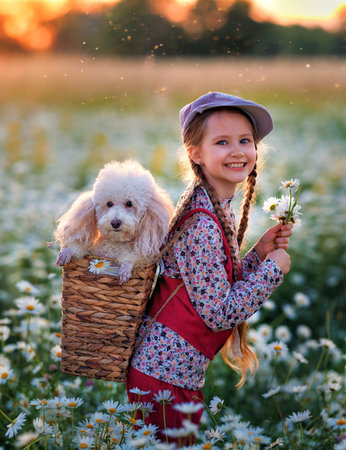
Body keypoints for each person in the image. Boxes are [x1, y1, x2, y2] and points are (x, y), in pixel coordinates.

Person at [126, 92, 293, 441]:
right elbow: (218, 313)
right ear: (195, 153)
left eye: (245, 140)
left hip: (170, 371)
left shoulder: (213, 204)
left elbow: (210, 287)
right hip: (163, 374)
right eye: (222, 141)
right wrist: (272, 271)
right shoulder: (202, 222)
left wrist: (259, 255)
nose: (237, 150)